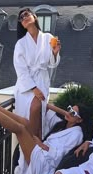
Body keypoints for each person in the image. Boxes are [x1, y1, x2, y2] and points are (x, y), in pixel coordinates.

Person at [13, 8, 61, 139]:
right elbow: (20, 70)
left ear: (34, 17)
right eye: (21, 18)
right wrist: (33, 88)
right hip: (26, 85)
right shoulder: (21, 44)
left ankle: (36, 141)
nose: (24, 18)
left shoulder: (48, 38)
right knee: (33, 109)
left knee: (38, 111)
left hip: (42, 80)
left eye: (27, 14)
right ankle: (33, 142)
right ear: (21, 24)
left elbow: (52, 64)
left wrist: (55, 53)